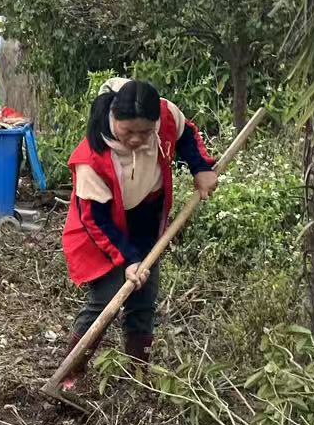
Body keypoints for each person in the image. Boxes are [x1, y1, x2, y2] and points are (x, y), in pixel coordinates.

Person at [61, 78, 218, 385]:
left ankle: (138, 373)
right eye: (128, 131)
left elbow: (186, 135)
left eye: (145, 132)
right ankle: (72, 372)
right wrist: (128, 259)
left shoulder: (166, 115)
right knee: (108, 297)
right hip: (103, 226)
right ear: (113, 119)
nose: (136, 139)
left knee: (144, 295)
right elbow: (96, 219)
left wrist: (201, 167)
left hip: (146, 217)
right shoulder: (92, 158)